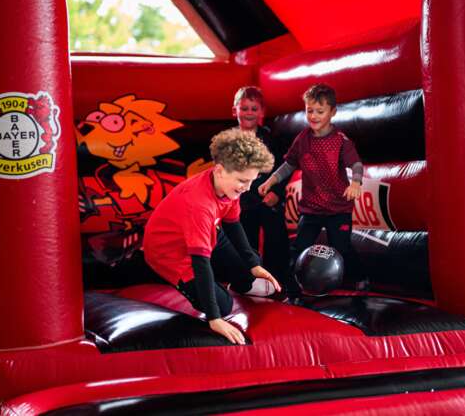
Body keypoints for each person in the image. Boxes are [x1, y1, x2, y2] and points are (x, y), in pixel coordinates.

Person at [142, 128, 281, 345]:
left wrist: (253, 265)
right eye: (243, 181)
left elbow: (233, 224)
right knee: (224, 306)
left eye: (252, 181)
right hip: (170, 253)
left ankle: (237, 280)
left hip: (206, 233)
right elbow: (200, 262)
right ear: (219, 170)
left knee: (250, 265)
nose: (247, 188)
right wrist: (215, 318)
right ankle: (220, 291)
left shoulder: (230, 187)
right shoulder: (199, 205)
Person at [258, 83, 367, 295]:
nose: (314, 116)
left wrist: (356, 182)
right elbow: (289, 164)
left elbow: (356, 165)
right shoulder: (303, 139)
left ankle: (360, 277)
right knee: (299, 248)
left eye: (320, 111)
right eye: (310, 111)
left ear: (332, 112)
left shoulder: (340, 141)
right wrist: (271, 180)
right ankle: (292, 287)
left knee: (341, 247)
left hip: (337, 210)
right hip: (311, 209)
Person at [231, 86, 291, 291]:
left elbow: (284, 168)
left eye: (254, 109)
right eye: (244, 108)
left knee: (277, 242)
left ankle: (281, 283)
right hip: (241, 201)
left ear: (262, 112)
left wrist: (277, 192)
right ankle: (247, 283)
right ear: (235, 111)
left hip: (268, 198)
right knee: (244, 244)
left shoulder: (272, 139)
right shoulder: (229, 141)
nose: (249, 113)